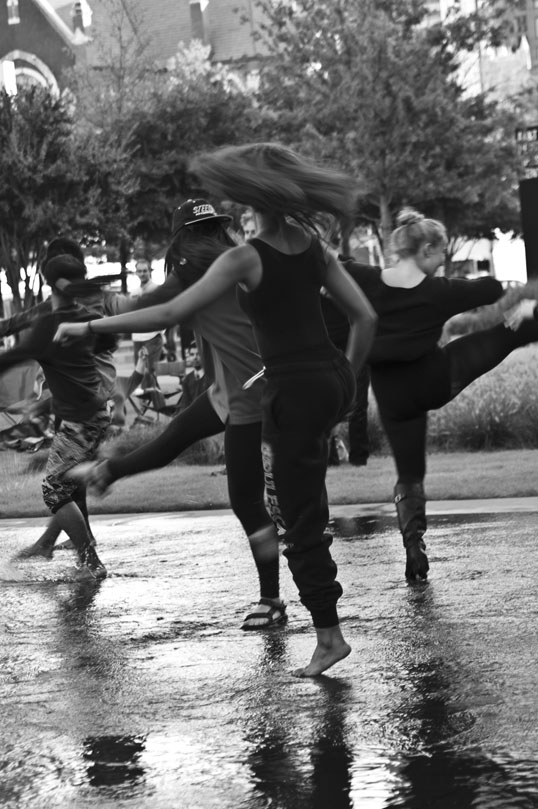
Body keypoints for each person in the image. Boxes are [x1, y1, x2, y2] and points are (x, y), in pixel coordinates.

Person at [54, 144, 377, 677]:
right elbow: (363, 317)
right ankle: (109, 471)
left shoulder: (241, 259)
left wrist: (87, 325)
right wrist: (342, 387)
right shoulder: (311, 246)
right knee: (270, 489)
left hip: (276, 393)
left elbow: (166, 311)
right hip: (309, 384)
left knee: (290, 516)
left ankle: (318, 629)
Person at [71, 198, 289, 631]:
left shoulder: (194, 272)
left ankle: (273, 598)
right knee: (173, 438)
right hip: (236, 388)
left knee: (247, 500)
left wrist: (90, 310)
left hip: (248, 393)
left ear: (182, 238)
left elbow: (146, 307)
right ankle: (106, 473)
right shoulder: (238, 262)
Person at [343, 207, 538, 582]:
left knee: (409, 472)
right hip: (437, 380)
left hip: (393, 399)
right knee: (516, 330)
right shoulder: (440, 291)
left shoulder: (361, 277)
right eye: (443, 251)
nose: (444, 258)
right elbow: (491, 289)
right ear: (427, 249)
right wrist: (521, 307)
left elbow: (328, 270)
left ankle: (413, 547)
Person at [1, 237, 120, 559]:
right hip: (95, 414)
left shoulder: (49, 324)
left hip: (80, 421)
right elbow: (108, 340)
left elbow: (13, 357)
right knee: (68, 484)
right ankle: (74, 551)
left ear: (48, 284)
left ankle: (89, 559)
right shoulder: (83, 319)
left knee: (54, 490)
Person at [130, 258, 164, 392]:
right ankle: (145, 406)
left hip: (152, 337)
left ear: (150, 271)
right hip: (137, 338)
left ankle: (154, 406)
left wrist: (162, 334)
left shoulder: (157, 290)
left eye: (145, 270)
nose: (142, 273)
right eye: (139, 271)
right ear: (136, 273)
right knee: (139, 373)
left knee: (149, 374)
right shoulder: (134, 292)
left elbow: (164, 313)